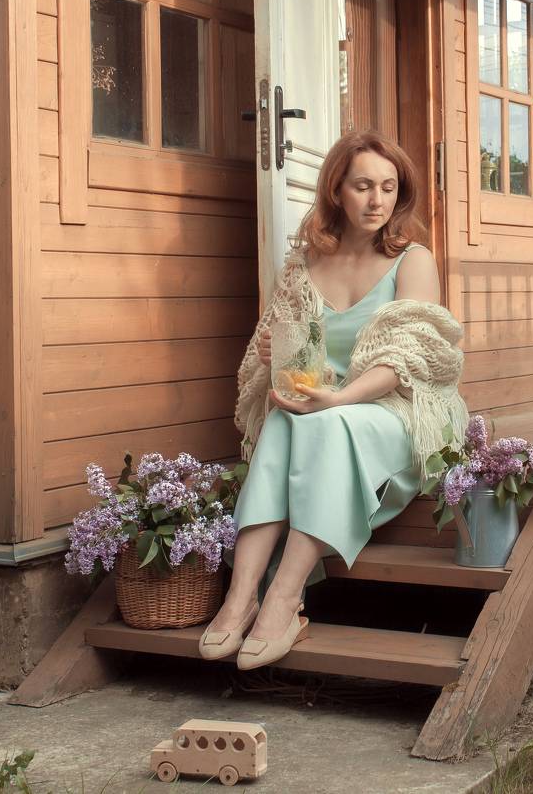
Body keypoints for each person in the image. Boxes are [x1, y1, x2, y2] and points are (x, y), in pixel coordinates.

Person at [199, 133, 469, 670]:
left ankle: (284, 598)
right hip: (324, 404)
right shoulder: (303, 265)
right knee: (282, 421)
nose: (377, 201)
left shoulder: (412, 260)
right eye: (363, 186)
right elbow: (282, 352)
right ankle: (240, 596)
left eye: (389, 188)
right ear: (336, 191)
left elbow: (407, 359)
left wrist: (338, 398)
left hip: (396, 408)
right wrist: (276, 353)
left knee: (326, 424)